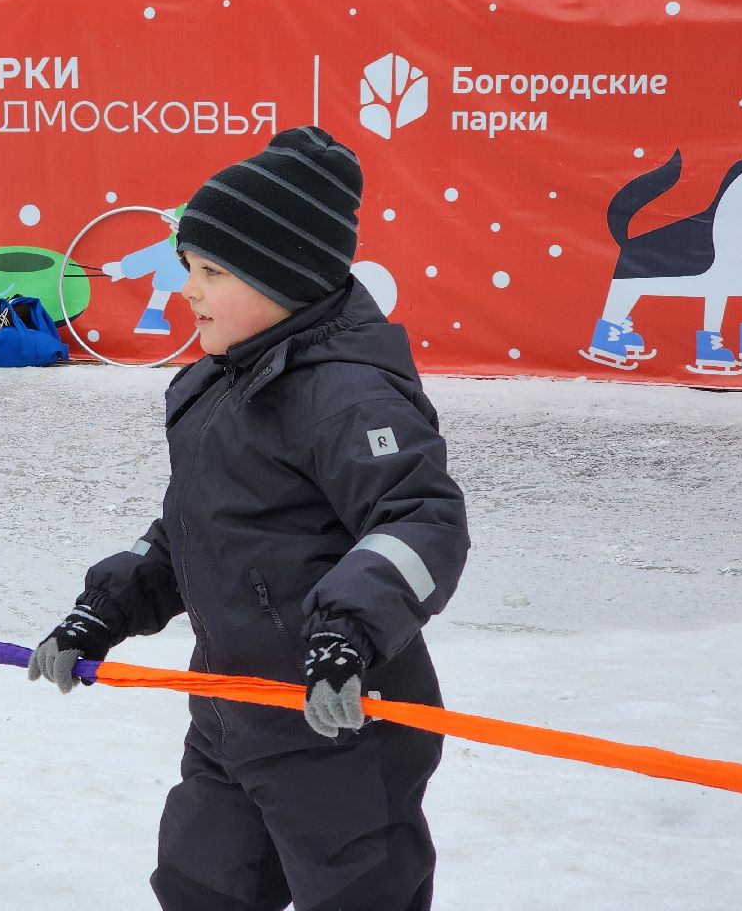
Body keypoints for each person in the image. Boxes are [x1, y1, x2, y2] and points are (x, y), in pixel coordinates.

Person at [28, 126, 470, 911]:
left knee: (361, 892)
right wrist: (106, 608)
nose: (188, 290)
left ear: (286, 279)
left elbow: (419, 520)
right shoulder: (221, 386)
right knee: (200, 883)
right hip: (233, 708)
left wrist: (347, 634)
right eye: (186, 268)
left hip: (341, 721)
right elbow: (193, 529)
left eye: (211, 271)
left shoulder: (347, 395)